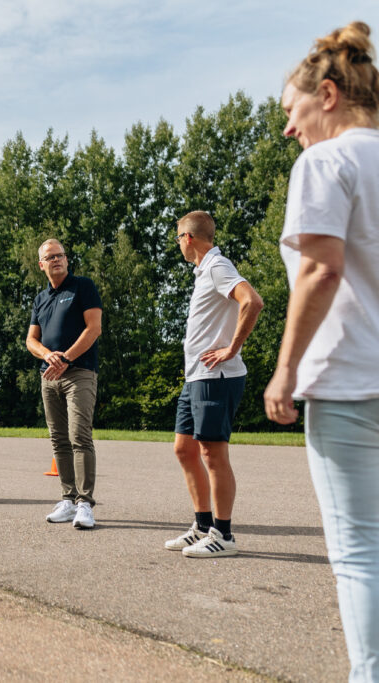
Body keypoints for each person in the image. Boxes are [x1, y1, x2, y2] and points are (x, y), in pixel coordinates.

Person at [264, 20, 379, 680]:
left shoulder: (326, 161)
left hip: (347, 380)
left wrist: (286, 369)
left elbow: (321, 268)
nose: (289, 128)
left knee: (361, 552)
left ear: (327, 94)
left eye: (291, 110)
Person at [167, 211, 263, 558]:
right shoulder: (203, 271)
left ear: (188, 238)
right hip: (196, 376)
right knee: (184, 449)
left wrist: (232, 349)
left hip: (216, 377)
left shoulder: (218, 265)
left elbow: (252, 301)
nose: (178, 243)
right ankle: (202, 525)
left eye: (178, 237)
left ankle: (223, 535)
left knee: (212, 452)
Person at [26, 239, 102, 529]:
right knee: (58, 439)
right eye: (50, 257)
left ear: (67, 260)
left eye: (60, 255)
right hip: (49, 377)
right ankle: (68, 500)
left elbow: (94, 328)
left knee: (79, 436)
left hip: (79, 372)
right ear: (41, 264)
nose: (56, 260)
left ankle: (85, 503)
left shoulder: (83, 286)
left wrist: (66, 359)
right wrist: (49, 356)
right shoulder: (40, 298)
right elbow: (31, 340)